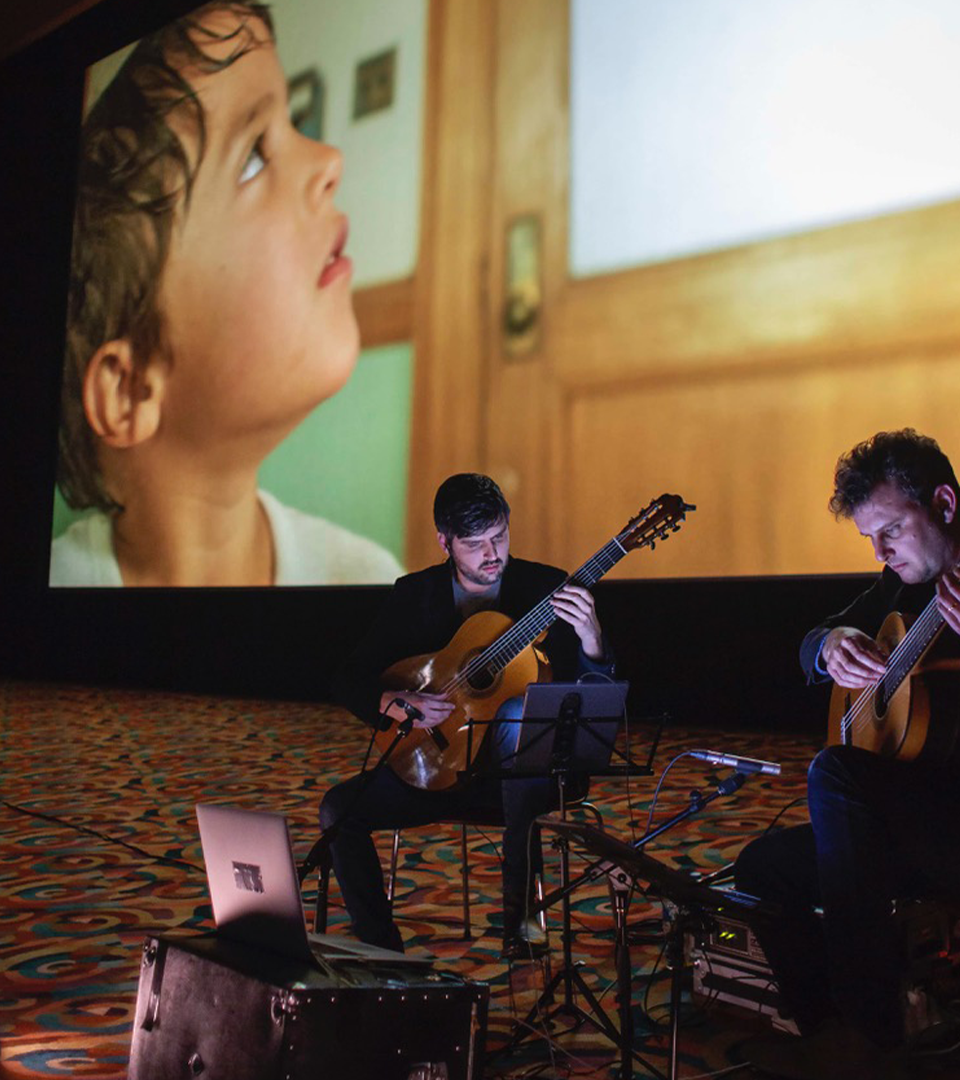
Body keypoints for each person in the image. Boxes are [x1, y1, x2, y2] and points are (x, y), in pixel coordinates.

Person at [734, 429, 960, 1080]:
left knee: (837, 773)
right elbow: (811, 640)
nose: (880, 551)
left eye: (890, 529)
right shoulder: (905, 583)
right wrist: (830, 642)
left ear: (944, 503)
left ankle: (874, 1037)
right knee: (764, 869)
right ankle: (834, 1026)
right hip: (941, 824)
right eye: (869, 539)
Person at [50, 2, 402, 587]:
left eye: (294, 125)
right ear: (130, 388)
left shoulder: (369, 580)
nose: (330, 160)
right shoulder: (43, 614)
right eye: (253, 158)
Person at [321, 473, 616, 958]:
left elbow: (595, 691)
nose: (491, 554)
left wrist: (592, 640)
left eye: (499, 537)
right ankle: (382, 950)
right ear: (445, 542)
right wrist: (394, 704)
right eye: (475, 544)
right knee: (338, 810)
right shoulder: (414, 595)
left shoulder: (545, 588)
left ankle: (521, 928)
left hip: (522, 778)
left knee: (519, 716)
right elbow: (348, 678)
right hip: (435, 769)